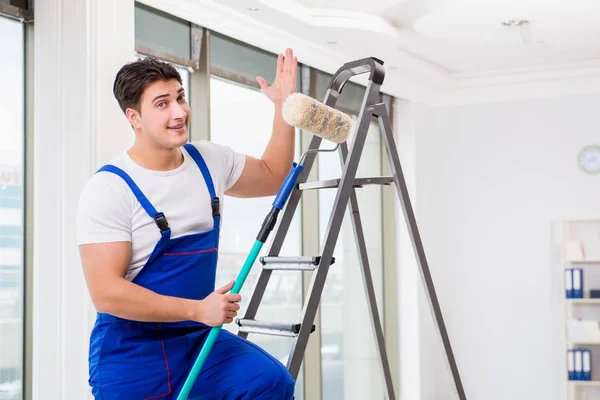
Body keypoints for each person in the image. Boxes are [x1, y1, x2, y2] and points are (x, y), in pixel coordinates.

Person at [76, 49, 298, 399]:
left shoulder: (209, 160)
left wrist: (284, 107)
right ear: (134, 116)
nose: (179, 112)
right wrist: (198, 309)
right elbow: (106, 293)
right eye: (162, 103)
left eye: (180, 97)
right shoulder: (109, 188)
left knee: (269, 382)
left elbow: (273, 176)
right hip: (133, 354)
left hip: (197, 339)